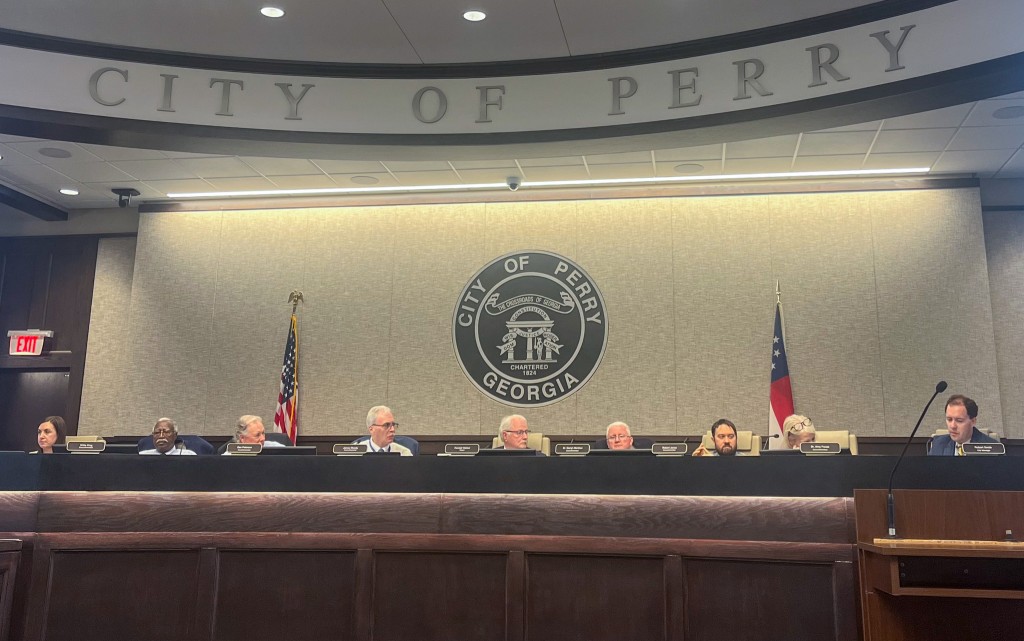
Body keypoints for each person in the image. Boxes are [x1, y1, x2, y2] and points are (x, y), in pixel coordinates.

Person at [928, 394, 998, 456]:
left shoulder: (991, 448)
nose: (953, 426)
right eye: (949, 419)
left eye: (959, 421)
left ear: (973, 421)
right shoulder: (938, 444)